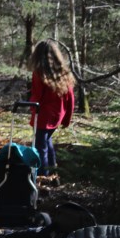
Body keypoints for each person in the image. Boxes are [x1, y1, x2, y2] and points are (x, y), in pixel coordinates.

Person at [28, 39, 75, 177]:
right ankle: (53, 174)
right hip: (57, 116)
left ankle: (43, 177)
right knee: (47, 143)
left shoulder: (39, 73)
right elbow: (70, 98)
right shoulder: (64, 73)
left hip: (43, 116)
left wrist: (32, 110)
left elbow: (37, 96)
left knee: (40, 147)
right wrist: (66, 119)